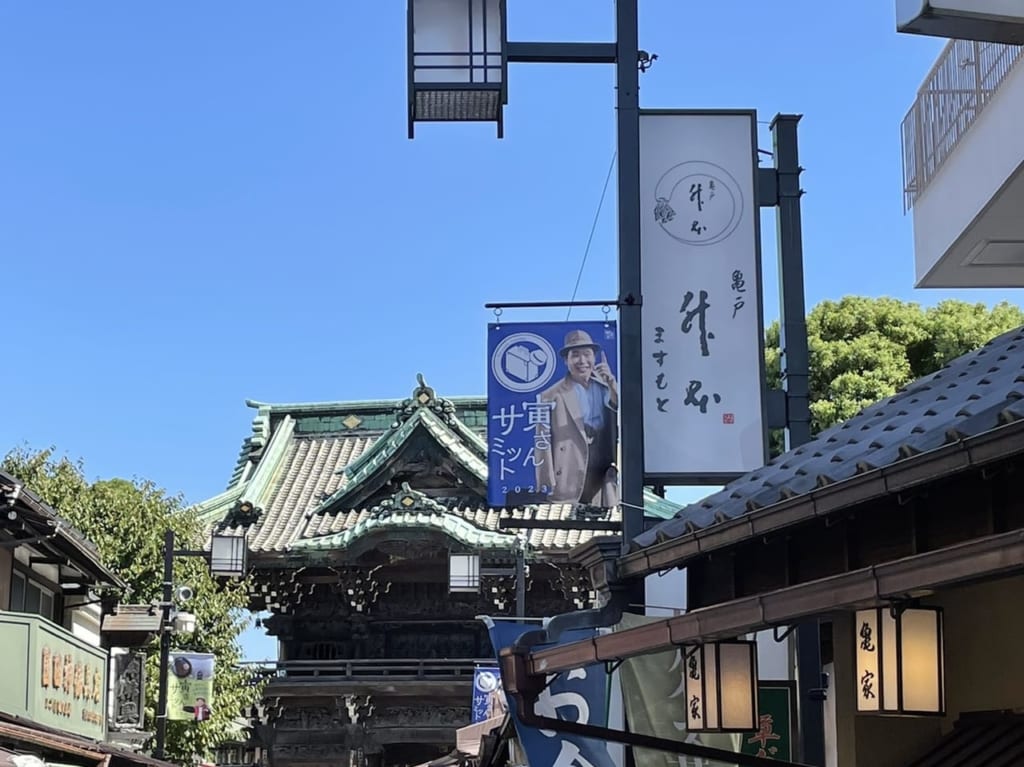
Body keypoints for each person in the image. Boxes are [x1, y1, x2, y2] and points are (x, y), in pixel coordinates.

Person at [534, 329, 619, 506]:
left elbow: (623, 411)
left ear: (594, 358)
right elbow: (542, 441)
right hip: (569, 468)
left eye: (587, 354)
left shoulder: (606, 387)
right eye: (575, 355)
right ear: (566, 360)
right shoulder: (551, 395)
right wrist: (546, 483)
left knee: (606, 515)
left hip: (602, 468)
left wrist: (611, 382)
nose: (582, 361)